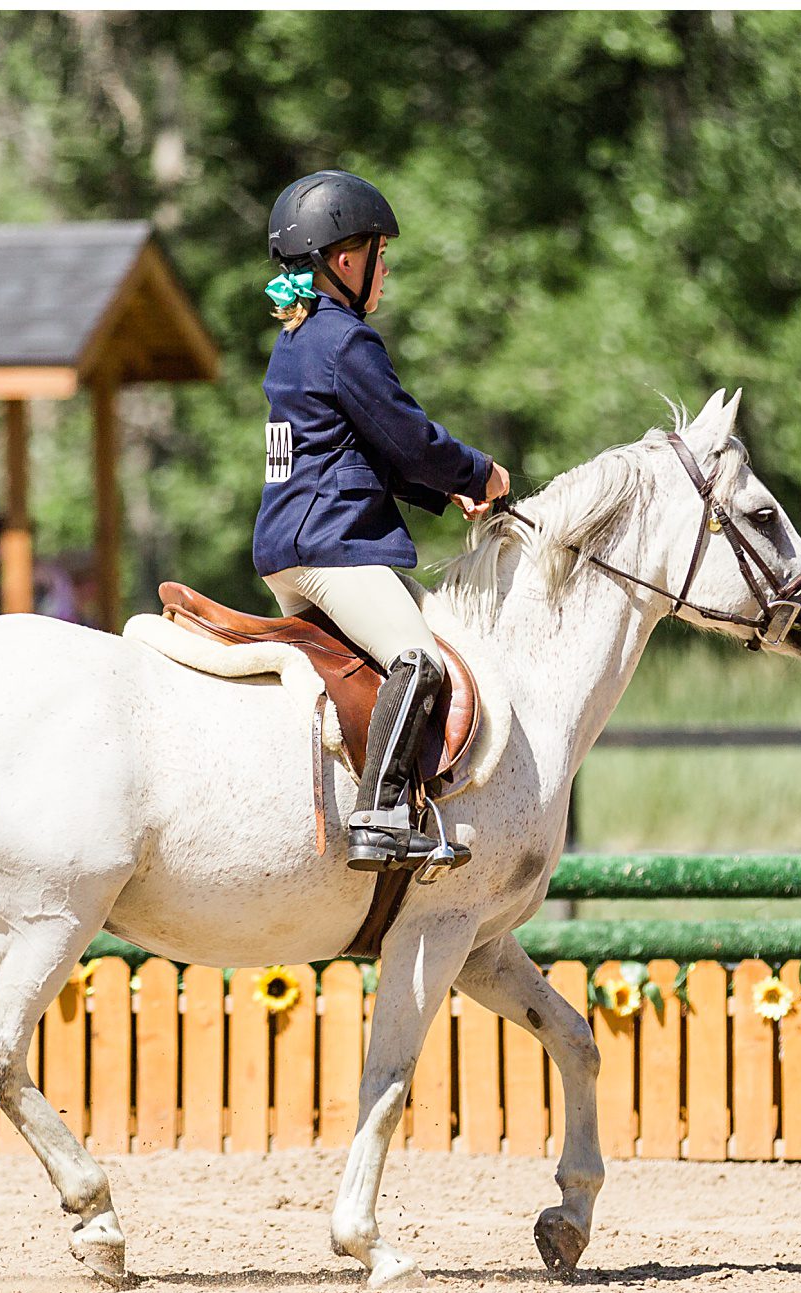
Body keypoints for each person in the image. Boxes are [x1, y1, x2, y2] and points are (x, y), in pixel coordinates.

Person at [254, 169, 510, 872]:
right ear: (344, 260)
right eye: (378, 253)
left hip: (287, 543)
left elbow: (366, 448)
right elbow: (410, 435)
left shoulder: (298, 339)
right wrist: (478, 472)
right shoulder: (346, 341)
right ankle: (380, 815)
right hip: (330, 547)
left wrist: (445, 494)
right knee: (418, 658)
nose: (385, 268)